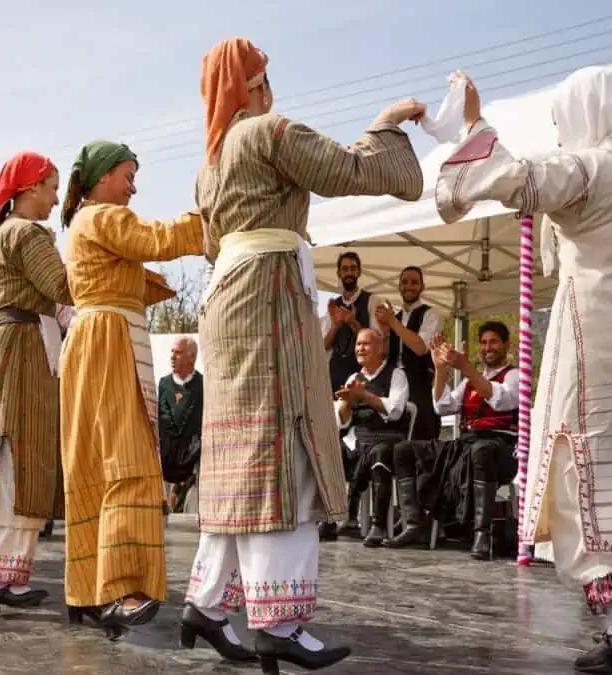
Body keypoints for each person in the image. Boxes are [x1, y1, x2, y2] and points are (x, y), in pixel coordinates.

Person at [181, 37, 425, 672]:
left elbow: (212, 241)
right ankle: (278, 623)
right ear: (256, 84)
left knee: (242, 455)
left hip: (228, 296)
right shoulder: (269, 131)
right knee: (283, 450)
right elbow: (347, 169)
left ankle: (208, 602)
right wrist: (386, 129)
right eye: (267, 77)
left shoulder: (209, 161)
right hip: (269, 293)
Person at [437, 69, 612, 672]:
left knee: (584, 472)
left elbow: (517, 178)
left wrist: (474, 124)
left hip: (598, 337)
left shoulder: (589, 168)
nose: (559, 129)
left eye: (561, 117)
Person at [58, 140, 203, 636]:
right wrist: (214, 214)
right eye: (127, 174)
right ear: (101, 178)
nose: (134, 185)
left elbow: (133, 270)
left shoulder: (86, 222)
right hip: (110, 340)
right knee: (129, 459)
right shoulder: (103, 217)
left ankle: (88, 587)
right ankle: (120, 587)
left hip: (95, 338)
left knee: (95, 464)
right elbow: (157, 238)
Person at [0, 151, 73, 616]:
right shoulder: (26, 232)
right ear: (30, 187)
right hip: (17, 348)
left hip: (16, 342)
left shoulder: (9, 233)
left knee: (16, 453)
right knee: (13, 454)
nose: (55, 198)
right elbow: (62, 285)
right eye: (51, 187)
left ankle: (5, 577)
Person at [386, 322, 518, 559]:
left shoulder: (515, 376)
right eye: (485, 342)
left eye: (495, 342)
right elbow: (443, 406)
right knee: (404, 449)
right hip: (468, 444)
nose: (488, 347)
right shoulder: (469, 381)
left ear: (507, 344)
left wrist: (467, 367)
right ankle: (414, 525)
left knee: (482, 451)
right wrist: (440, 370)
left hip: (501, 446)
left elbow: (501, 401)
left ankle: (482, 534)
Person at [334, 328, 410, 548]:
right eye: (358, 344)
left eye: (366, 344)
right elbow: (343, 421)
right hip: (359, 437)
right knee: (334, 449)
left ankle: (378, 524)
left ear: (380, 348)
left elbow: (395, 411)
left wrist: (363, 395)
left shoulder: (396, 374)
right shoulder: (353, 377)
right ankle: (334, 518)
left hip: (387, 436)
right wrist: (348, 402)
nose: (360, 348)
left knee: (379, 453)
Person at [375, 265, 444, 440]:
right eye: (404, 282)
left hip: (419, 385)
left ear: (422, 287)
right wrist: (384, 330)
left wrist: (391, 322)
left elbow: (420, 347)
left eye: (414, 282)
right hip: (392, 387)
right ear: (399, 287)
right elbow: (381, 355)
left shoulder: (431, 314)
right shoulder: (394, 318)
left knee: (421, 438)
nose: (409, 286)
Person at [322, 252, 385, 393]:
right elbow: (324, 346)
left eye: (353, 268)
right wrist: (335, 326)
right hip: (335, 373)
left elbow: (379, 343)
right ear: (339, 273)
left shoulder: (372, 301)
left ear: (359, 272)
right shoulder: (334, 305)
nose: (349, 273)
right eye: (345, 269)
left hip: (363, 372)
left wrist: (354, 323)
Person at [158, 337, 203, 513]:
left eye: (178, 353)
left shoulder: (202, 386)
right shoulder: (164, 384)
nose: (172, 357)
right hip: (166, 470)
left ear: (192, 357)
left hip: (193, 473)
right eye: (171, 352)